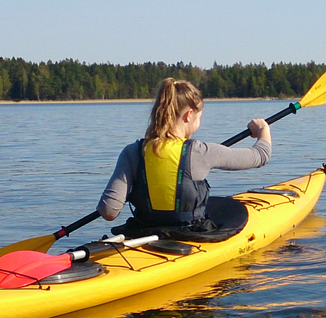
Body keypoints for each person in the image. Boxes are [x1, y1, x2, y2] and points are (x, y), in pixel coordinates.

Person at [97, 77, 270, 231]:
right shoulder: (200, 152)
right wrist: (263, 129)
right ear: (189, 115)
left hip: (145, 233)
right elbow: (261, 155)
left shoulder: (133, 152)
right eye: (199, 117)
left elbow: (109, 211)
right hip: (189, 236)